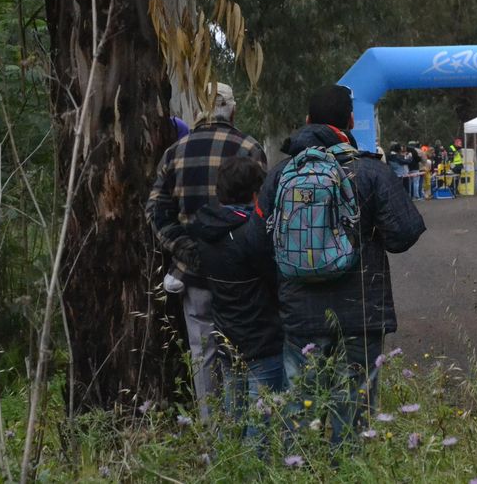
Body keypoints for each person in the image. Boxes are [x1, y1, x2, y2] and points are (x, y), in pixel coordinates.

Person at [256, 85, 425, 446]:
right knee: (355, 409)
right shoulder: (369, 171)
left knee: (299, 408)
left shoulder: (280, 175)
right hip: (360, 314)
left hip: (300, 313)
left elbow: (260, 237)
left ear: (306, 121)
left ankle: (298, 470)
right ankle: (347, 468)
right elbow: (404, 234)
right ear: (350, 121)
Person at [146, 82, 267, 421]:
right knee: (247, 348)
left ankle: (214, 432)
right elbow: (262, 211)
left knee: (204, 352)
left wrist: (186, 251)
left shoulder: (175, 152)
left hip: (194, 276)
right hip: (242, 274)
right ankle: (249, 425)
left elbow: (155, 210)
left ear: (198, 111)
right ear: (232, 109)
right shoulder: (249, 147)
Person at [187, 156, 284, 437]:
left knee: (233, 419)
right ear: (256, 194)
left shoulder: (204, 230)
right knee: (261, 427)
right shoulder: (251, 234)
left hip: (228, 339)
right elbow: (275, 279)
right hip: (263, 341)